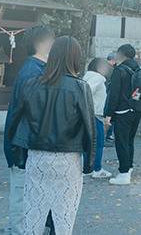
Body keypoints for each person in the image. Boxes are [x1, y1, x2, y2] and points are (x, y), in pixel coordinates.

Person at [7, 36, 95, 235]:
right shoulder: (80, 87)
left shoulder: (32, 84)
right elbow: (90, 128)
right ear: (76, 58)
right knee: (64, 215)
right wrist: (89, 164)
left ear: (52, 55)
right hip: (68, 159)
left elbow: (16, 122)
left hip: (37, 157)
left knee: (34, 214)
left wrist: (19, 158)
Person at [3, 24, 54, 235]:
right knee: (23, 199)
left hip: (26, 145)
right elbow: (31, 117)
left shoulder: (35, 70)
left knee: (29, 198)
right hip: (24, 147)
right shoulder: (33, 73)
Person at [104, 44, 141, 185]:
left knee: (121, 142)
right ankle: (129, 167)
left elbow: (114, 95)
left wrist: (108, 115)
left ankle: (124, 173)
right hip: (136, 110)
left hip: (122, 111)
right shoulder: (139, 68)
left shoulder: (119, 70)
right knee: (129, 141)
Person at [83, 58, 113, 179]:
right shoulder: (98, 77)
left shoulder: (87, 76)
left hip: (88, 114)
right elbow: (88, 90)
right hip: (95, 114)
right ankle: (97, 169)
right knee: (99, 142)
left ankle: (86, 168)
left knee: (87, 144)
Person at [104, 52, 118, 144]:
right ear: (113, 61)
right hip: (108, 92)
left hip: (102, 92)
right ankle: (108, 134)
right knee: (109, 114)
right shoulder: (111, 70)